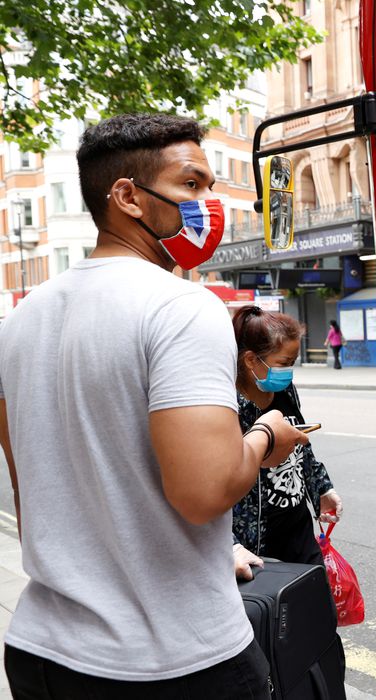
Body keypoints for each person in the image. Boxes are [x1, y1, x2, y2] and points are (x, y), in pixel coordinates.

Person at [0, 113, 307, 697]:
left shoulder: (20, 321)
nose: (210, 203)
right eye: (192, 185)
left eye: (212, 187)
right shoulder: (180, 307)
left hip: (42, 652)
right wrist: (266, 436)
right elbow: (202, 494)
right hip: (172, 659)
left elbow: (38, 488)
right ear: (127, 197)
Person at [231, 306, 343, 580]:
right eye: (283, 363)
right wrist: (231, 545)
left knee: (318, 610)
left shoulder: (283, 390)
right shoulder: (228, 406)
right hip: (256, 540)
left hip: (297, 527)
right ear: (250, 360)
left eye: (293, 362)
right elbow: (216, 481)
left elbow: (300, 443)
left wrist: (322, 489)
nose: (289, 371)